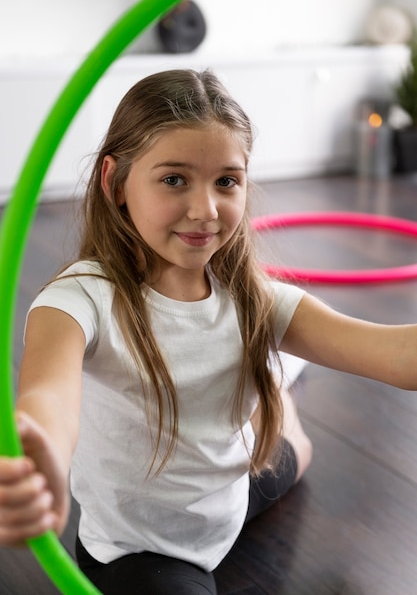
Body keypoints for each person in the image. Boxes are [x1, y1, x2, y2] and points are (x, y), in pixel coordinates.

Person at [0, 69, 416, 595]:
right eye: (174, 179)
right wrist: (45, 461)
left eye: (226, 180)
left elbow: (400, 357)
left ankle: (276, 387)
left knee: (297, 451)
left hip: (229, 494)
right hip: (140, 552)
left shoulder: (252, 295)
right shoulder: (78, 298)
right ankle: (275, 378)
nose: (205, 210)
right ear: (115, 182)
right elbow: (50, 400)